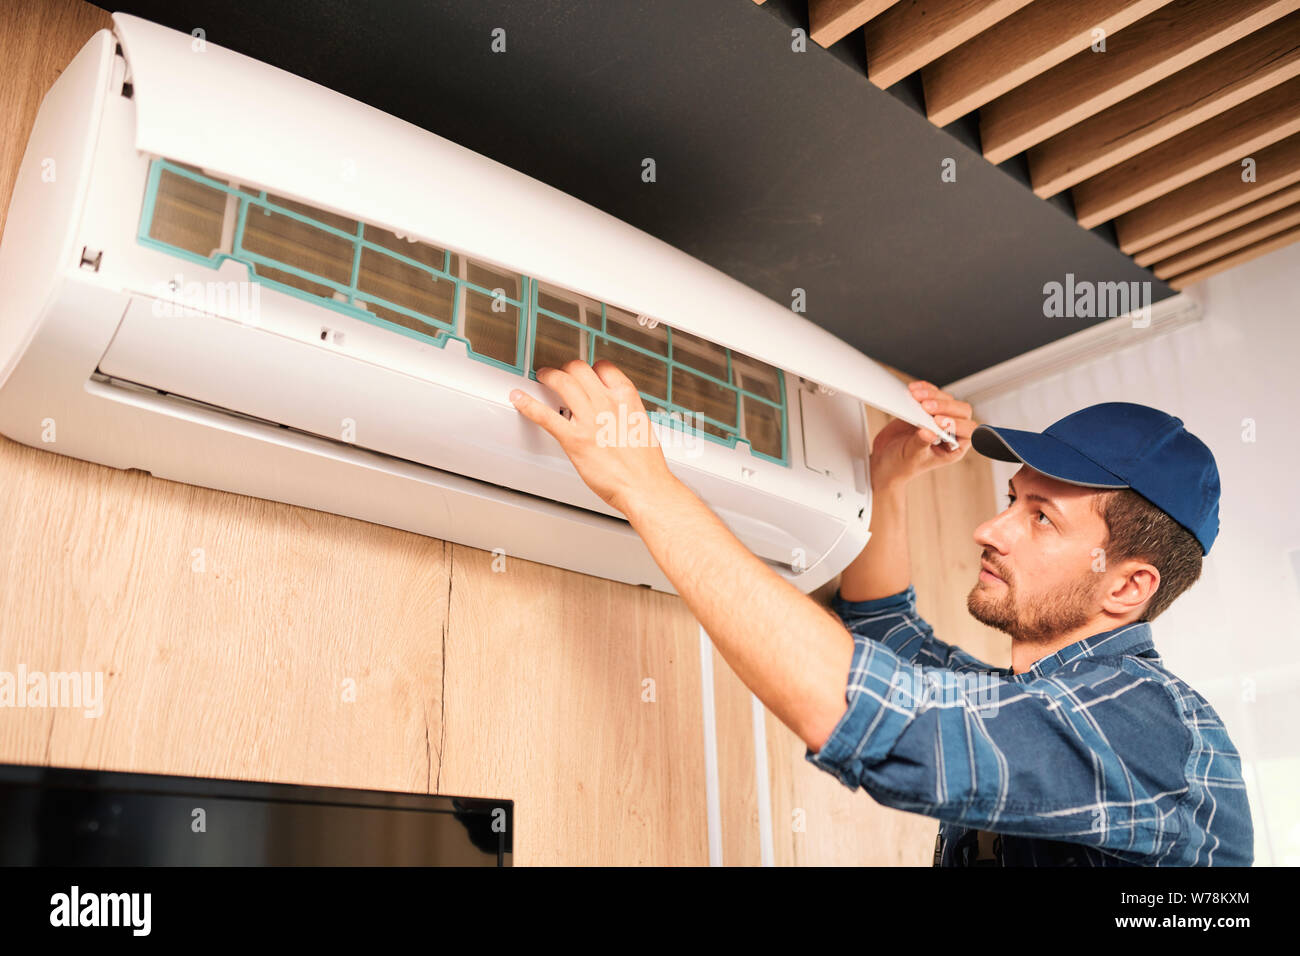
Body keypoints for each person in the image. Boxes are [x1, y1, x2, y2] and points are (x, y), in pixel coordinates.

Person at [508, 360, 1253, 866]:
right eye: (1010, 502)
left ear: (1127, 587)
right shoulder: (1041, 710)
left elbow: (862, 706)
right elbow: (879, 632)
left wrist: (646, 486)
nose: (989, 531)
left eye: (1042, 520)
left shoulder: (1149, 728)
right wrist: (883, 480)